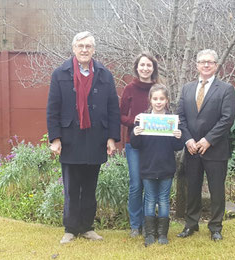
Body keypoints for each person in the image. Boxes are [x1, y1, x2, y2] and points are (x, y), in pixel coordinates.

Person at [46, 31, 121, 244]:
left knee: (90, 186)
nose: (84, 50)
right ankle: (70, 229)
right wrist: (55, 138)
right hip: (70, 138)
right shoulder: (60, 73)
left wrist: (111, 138)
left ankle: (87, 227)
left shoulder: (105, 74)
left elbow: (113, 109)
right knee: (71, 187)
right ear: (74, 49)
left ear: (94, 50)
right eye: (81, 46)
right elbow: (53, 109)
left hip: (96, 138)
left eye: (88, 46)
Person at [176, 49, 235, 241]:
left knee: (216, 189)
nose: (206, 65)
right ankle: (191, 224)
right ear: (196, 66)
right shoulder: (187, 89)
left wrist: (208, 140)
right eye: (202, 62)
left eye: (210, 62)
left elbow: (227, 119)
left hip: (215, 149)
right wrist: (188, 140)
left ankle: (215, 227)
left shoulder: (226, 89)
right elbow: (181, 118)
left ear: (216, 65)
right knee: (192, 188)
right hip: (192, 148)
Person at [130, 84, 183, 246]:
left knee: (164, 200)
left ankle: (162, 234)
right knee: (150, 200)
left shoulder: (172, 121)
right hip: (148, 167)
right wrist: (135, 133)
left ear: (167, 100)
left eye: (161, 99)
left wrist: (179, 136)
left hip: (166, 167)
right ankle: (150, 234)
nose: (158, 102)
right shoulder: (143, 120)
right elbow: (135, 144)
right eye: (155, 99)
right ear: (150, 100)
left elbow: (178, 147)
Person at [119, 52, 159, 237]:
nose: (145, 68)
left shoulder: (159, 88)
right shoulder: (129, 89)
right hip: (133, 144)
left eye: (148, 65)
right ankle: (135, 225)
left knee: (149, 183)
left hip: (154, 145)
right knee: (136, 184)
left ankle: (148, 223)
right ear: (137, 68)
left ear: (153, 68)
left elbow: (166, 113)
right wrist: (136, 121)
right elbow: (120, 116)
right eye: (142, 65)